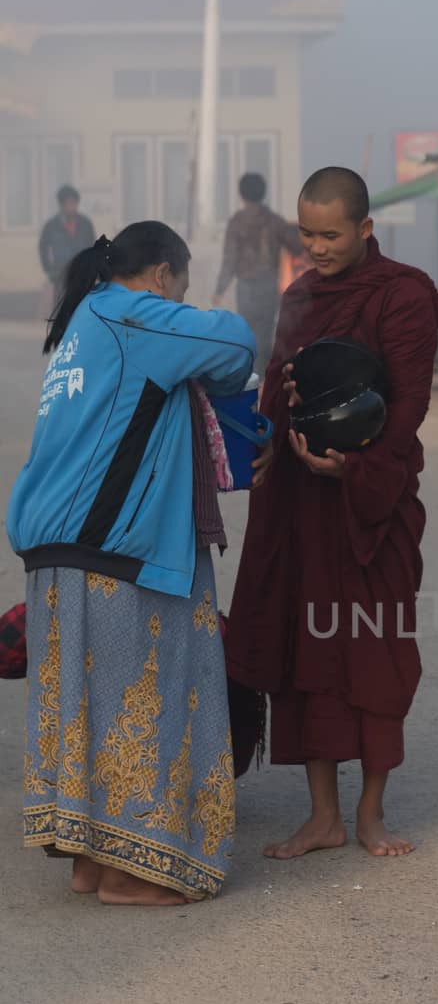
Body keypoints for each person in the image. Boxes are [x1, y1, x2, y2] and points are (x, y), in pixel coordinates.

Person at [7, 223, 256, 905]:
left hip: (58, 552)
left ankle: (90, 865)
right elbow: (235, 344)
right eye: (180, 284)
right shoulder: (132, 312)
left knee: (86, 713)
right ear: (160, 276)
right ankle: (131, 874)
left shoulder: (86, 322)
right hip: (116, 553)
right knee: (141, 708)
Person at [223, 167, 438, 860]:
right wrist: (259, 445)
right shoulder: (300, 297)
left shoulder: (403, 295)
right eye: (308, 233)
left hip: (369, 501)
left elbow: (408, 402)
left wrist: (360, 468)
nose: (315, 247)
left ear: (365, 230)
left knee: (373, 652)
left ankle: (371, 813)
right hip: (299, 500)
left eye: (330, 235)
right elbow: (276, 388)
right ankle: (323, 816)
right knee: (305, 653)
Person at [212, 172, 302, 373]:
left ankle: (250, 376)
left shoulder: (236, 222)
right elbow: (297, 246)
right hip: (269, 286)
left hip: (245, 287)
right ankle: (263, 377)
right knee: (266, 332)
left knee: (248, 333)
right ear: (264, 193)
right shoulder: (275, 221)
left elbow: (229, 260)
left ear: (241, 194)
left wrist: (219, 289)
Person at [39, 186, 95, 309]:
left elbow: (93, 247)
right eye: (67, 203)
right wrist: (48, 269)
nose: (71, 207)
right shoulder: (51, 226)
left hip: (81, 272)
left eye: (73, 203)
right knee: (61, 309)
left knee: (81, 307)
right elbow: (43, 248)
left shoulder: (85, 224)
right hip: (60, 273)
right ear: (61, 205)